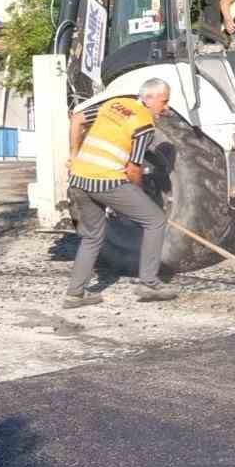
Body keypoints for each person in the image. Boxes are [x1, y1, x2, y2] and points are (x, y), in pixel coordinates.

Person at [62, 78, 180, 307]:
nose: (165, 107)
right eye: (164, 101)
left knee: (93, 236)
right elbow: (133, 169)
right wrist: (139, 195)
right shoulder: (145, 125)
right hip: (106, 181)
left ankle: (74, 294)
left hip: (78, 179)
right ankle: (149, 283)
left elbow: (76, 119)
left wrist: (75, 154)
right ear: (150, 98)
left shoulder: (114, 104)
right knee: (155, 220)